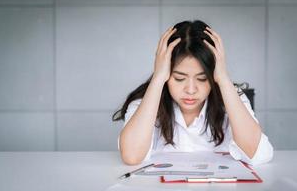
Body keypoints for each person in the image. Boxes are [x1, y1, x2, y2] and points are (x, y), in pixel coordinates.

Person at [112, 20, 273, 166]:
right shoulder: (145, 102)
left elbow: (257, 153)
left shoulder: (232, 97)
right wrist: (158, 78)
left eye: (202, 78)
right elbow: (131, 157)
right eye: (179, 78)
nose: (190, 90)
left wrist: (223, 78)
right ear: (166, 73)